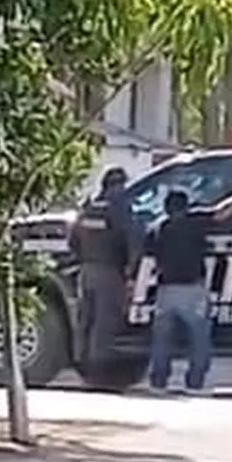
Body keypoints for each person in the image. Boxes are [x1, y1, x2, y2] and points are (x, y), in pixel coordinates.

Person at [145, 181, 232, 394]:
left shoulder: (157, 228)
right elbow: (221, 212)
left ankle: (159, 381)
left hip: (165, 291)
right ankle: (194, 382)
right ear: (186, 206)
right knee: (199, 338)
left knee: (162, 340)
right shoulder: (194, 221)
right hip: (192, 290)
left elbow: (151, 256)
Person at [72, 166, 141, 388]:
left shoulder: (89, 208)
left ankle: (82, 366)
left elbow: (73, 241)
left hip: (86, 270)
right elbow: (133, 241)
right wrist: (131, 271)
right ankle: (98, 375)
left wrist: (83, 258)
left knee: (86, 321)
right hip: (109, 272)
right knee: (105, 323)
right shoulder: (119, 207)